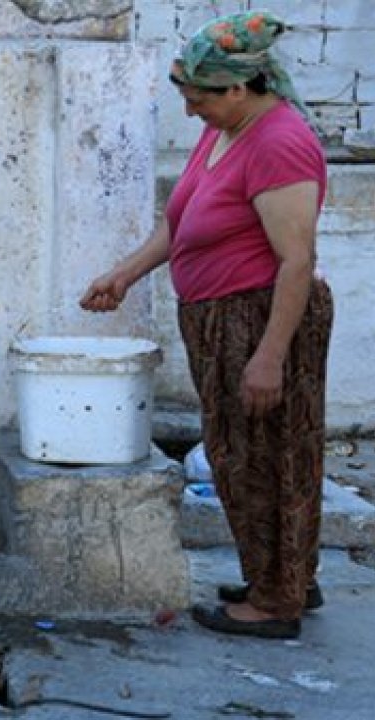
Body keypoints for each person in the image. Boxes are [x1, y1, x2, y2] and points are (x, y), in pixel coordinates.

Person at [79, 10, 332, 639]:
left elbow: (297, 259)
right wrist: (124, 274)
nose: (191, 111)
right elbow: (181, 220)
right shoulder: (228, 129)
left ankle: (276, 605)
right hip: (222, 321)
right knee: (241, 456)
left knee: (265, 458)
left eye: (200, 100)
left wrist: (270, 355)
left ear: (239, 89)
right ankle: (283, 576)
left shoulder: (279, 142)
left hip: (259, 320)